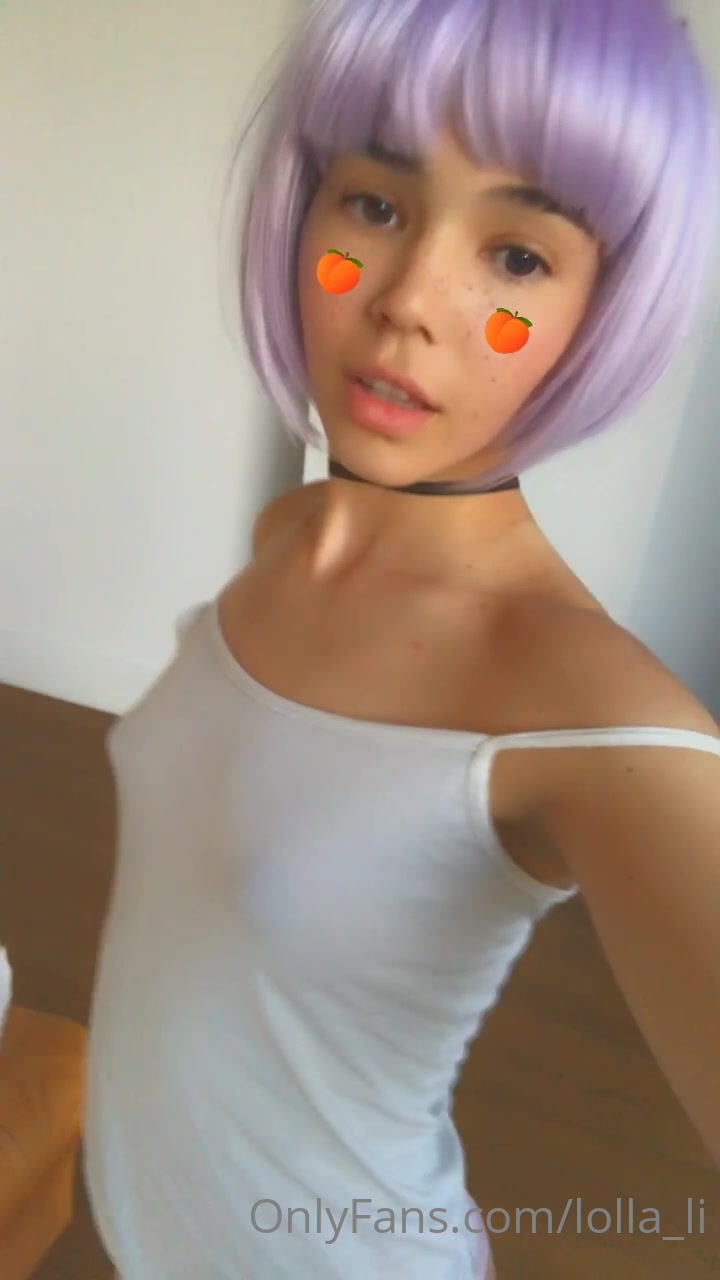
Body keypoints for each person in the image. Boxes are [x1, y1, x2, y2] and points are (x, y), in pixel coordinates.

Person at [83, 1, 720, 1277]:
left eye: (519, 257)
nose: (410, 302)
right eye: (375, 205)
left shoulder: (596, 710)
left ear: (604, 309)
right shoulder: (287, 534)